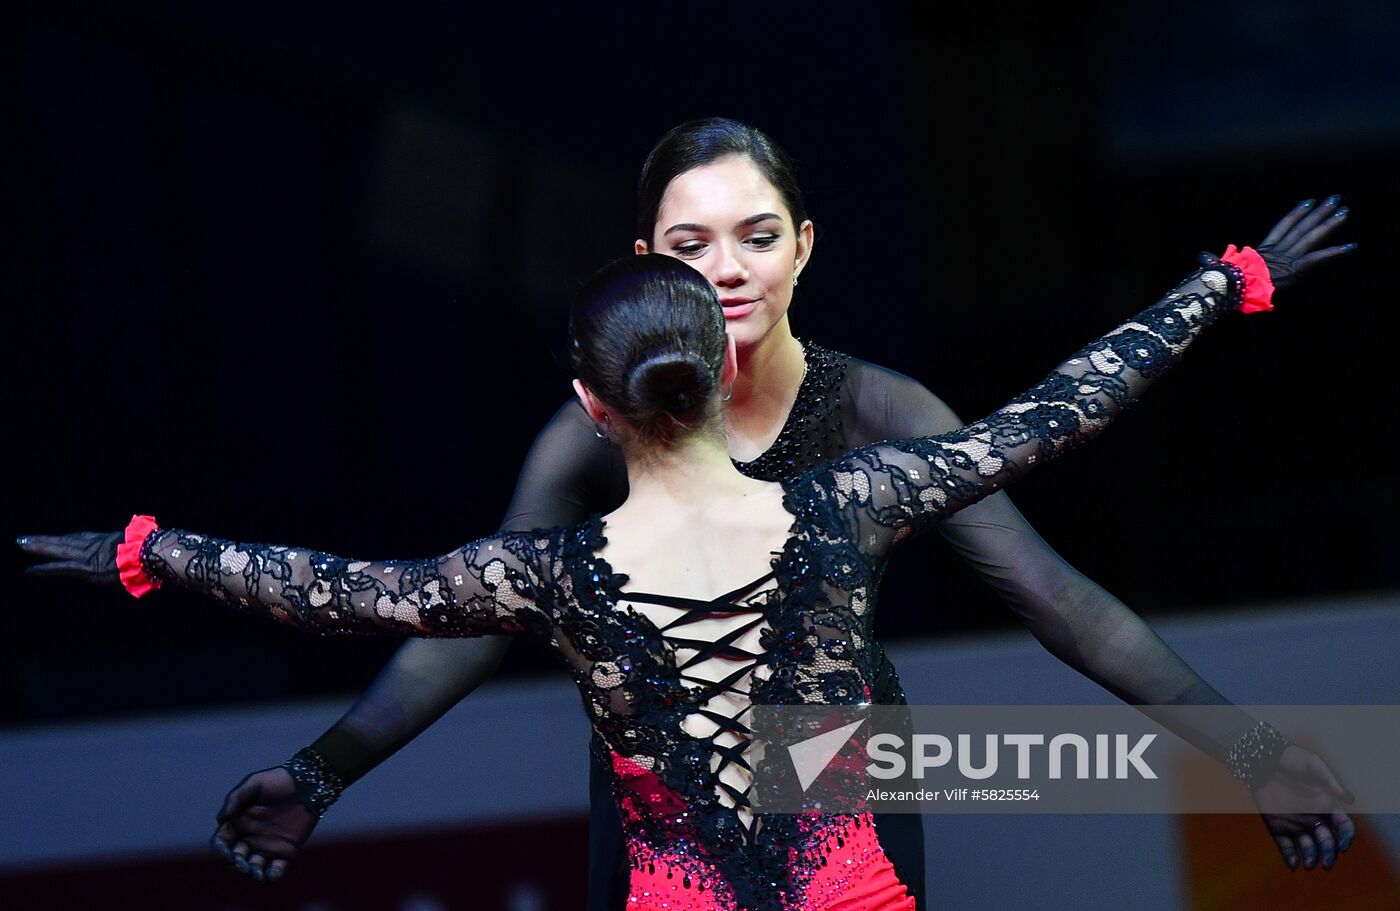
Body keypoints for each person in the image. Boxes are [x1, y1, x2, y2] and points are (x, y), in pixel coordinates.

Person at [18, 118, 1358, 897]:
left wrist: (1249, 754)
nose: (726, 269)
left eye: (756, 233)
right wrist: (325, 771)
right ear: (644, 262)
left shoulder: (877, 416)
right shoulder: (767, 475)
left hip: (838, 776)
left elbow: (1060, 599)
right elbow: (442, 620)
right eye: (687, 244)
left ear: (805, 242)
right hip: (666, 805)